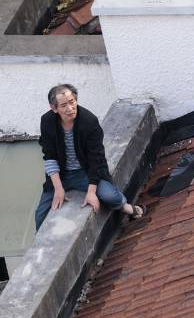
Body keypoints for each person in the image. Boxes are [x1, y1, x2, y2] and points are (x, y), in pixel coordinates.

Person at [35, 83, 145, 230]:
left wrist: (91, 192)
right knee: (40, 215)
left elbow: (96, 159)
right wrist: (58, 189)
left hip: (85, 172)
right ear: (54, 108)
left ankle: (130, 209)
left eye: (72, 102)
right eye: (63, 105)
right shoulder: (47, 121)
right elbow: (49, 156)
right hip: (61, 175)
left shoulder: (89, 121)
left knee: (110, 197)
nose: (70, 108)